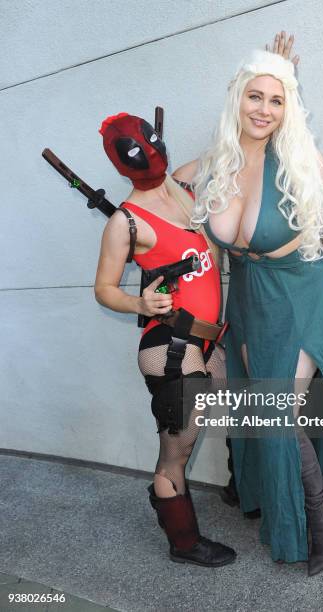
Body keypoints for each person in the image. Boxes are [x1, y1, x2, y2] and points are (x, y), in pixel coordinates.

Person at [173, 36, 323, 575]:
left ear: (289, 107)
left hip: (300, 293)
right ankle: (280, 499)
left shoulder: (299, 157)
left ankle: (320, 518)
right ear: (236, 99)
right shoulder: (218, 162)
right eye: (254, 96)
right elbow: (168, 190)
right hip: (249, 298)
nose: (264, 110)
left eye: (277, 99)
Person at [94, 112, 235, 567]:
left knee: (232, 412)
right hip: (170, 347)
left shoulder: (182, 189)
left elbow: (227, 144)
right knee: (178, 448)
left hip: (209, 341)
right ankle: (183, 542)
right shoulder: (126, 223)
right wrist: (139, 305)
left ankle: (232, 489)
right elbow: (104, 288)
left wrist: (271, 76)